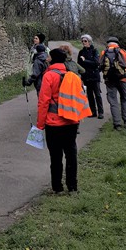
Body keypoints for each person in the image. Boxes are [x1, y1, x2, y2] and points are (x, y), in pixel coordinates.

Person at [36, 47, 83, 193]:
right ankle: (72, 186)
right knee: (71, 153)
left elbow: (43, 101)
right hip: (71, 121)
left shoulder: (49, 76)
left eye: (49, 57)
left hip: (54, 123)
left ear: (53, 59)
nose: (47, 59)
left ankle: (57, 187)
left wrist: (40, 124)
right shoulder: (72, 75)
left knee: (55, 156)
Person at [101, 36, 126, 130]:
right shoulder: (123, 52)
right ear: (117, 43)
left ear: (108, 44)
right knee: (124, 99)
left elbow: (101, 66)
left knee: (113, 101)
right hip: (122, 80)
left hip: (109, 81)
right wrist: (125, 75)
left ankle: (117, 124)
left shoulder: (103, 52)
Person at [77, 34, 104, 119]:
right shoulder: (81, 52)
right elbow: (79, 64)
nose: (83, 42)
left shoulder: (94, 51)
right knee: (89, 95)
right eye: (82, 41)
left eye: (85, 41)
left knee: (97, 94)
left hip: (94, 76)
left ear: (89, 41)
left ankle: (100, 112)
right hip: (86, 76)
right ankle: (93, 112)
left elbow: (96, 63)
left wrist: (85, 61)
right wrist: (81, 74)